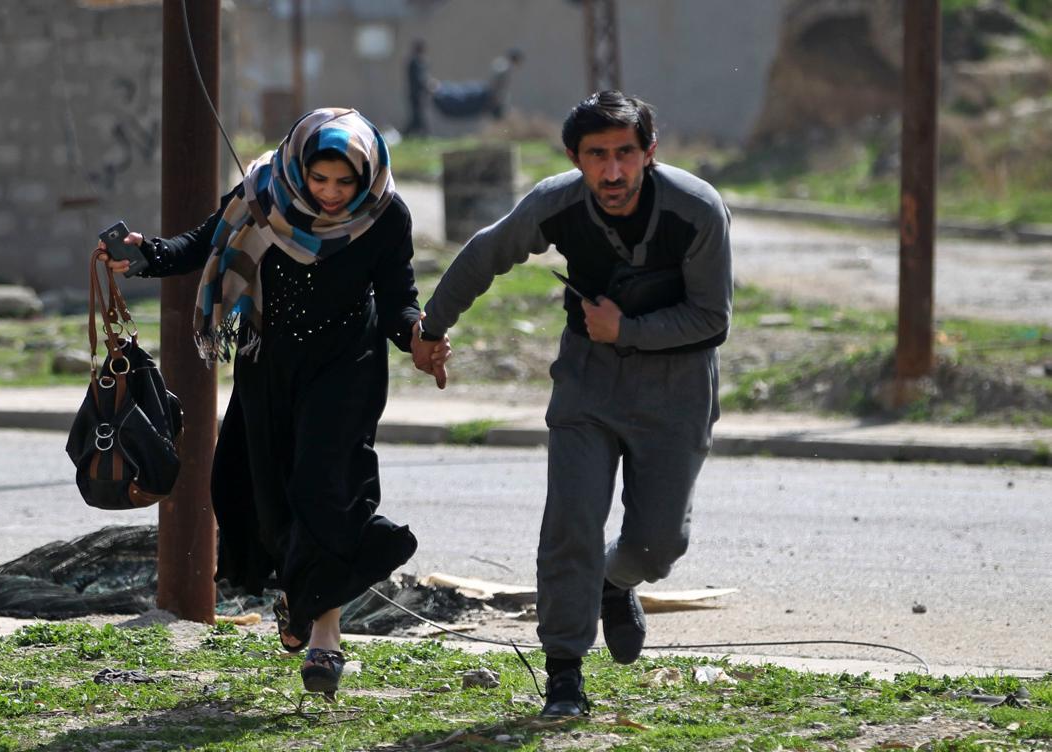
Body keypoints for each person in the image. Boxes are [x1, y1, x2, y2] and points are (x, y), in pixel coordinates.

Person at [98, 107, 450, 697]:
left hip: (347, 367)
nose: (333, 195)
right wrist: (147, 255)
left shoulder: (386, 215)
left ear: (366, 177)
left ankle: (326, 638)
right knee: (266, 496)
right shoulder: (264, 193)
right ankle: (297, 592)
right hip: (270, 364)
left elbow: (397, 297)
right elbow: (206, 241)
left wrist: (418, 337)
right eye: (321, 180)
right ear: (300, 168)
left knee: (327, 492)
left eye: (346, 183)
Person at [411, 91, 732, 716]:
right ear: (575, 157)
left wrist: (629, 330)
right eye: (596, 157)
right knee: (572, 522)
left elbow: (712, 317)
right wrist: (431, 328)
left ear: (649, 153)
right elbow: (486, 253)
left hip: (678, 390)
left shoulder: (697, 210)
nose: (612, 173)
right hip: (589, 380)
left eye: (625, 154)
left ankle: (617, 583)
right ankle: (564, 674)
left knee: (657, 547)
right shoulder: (556, 203)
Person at [404, 39, 430, 136]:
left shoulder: (417, 61)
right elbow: (419, 79)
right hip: (416, 94)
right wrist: (427, 85)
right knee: (417, 117)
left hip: (417, 94)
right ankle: (424, 135)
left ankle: (423, 135)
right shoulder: (415, 62)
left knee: (418, 117)